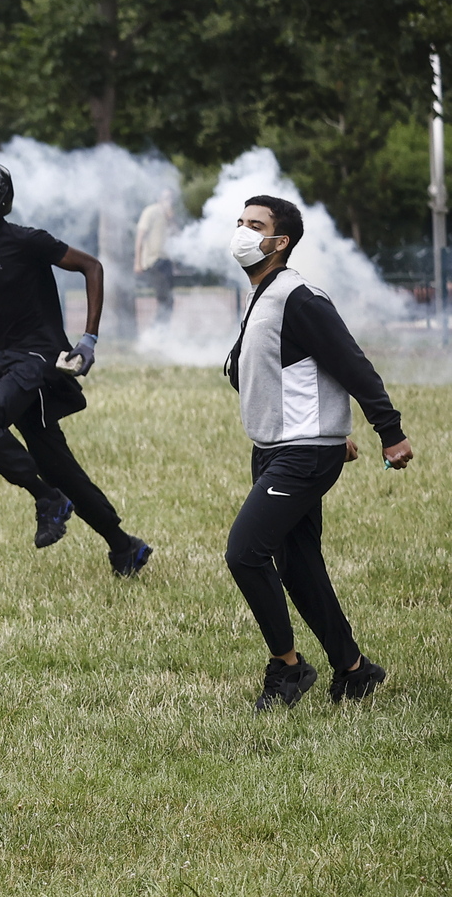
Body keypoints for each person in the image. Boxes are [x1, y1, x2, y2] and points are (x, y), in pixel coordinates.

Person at [223, 195, 415, 710]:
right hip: (278, 448)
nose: (241, 231)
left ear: (279, 241)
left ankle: (288, 668)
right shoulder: (261, 294)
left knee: (245, 553)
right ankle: (355, 671)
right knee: (299, 563)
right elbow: (276, 372)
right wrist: (334, 427)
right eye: (240, 222)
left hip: (302, 455)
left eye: (254, 225)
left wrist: (388, 431)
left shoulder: (299, 297)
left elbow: (351, 363)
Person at [0, 157, 151, 575]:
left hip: (38, 359)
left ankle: (48, 500)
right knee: (57, 464)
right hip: (4, 365)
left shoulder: (27, 241)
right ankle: (124, 547)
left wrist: (89, 338)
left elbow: (91, 267)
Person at [135, 188, 178, 328]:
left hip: (166, 261)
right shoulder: (150, 212)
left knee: (168, 300)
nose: (169, 201)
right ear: (159, 198)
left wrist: (171, 220)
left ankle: (162, 331)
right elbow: (140, 237)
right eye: (166, 198)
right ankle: (157, 332)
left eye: (170, 198)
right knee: (165, 299)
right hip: (153, 261)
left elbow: (177, 237)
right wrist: (137, 262)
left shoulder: (169, 216)